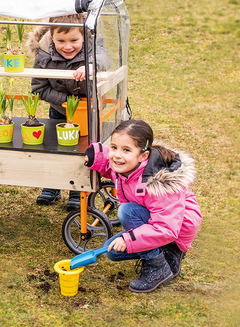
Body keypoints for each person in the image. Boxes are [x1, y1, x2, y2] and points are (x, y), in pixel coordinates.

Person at [83, 119, 202, 293]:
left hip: (176, 230)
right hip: (154, 220)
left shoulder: (158, 185)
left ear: (143, 156)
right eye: (114, 147)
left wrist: (128, 239)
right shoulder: (127, 165)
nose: (116, 155)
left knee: (127, 212)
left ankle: (159, 265)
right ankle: (158, 250)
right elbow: (110, 166)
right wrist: (96, 156)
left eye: (126, 150)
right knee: (110, 251)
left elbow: (167, 229)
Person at [28, 13, 102, 211]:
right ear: (52, 37)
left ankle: (77, 190)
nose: (67, 46)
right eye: (61, 41)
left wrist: (92, 66)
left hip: (88, 111)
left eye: (74, 41)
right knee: (56, 148)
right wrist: (68, 104)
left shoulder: (94, 49)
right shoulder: (44, 55)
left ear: (85, 37)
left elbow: (106, 59)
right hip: (59, 111)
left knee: (83, 150)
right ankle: (52, 185)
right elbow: (39, 89)